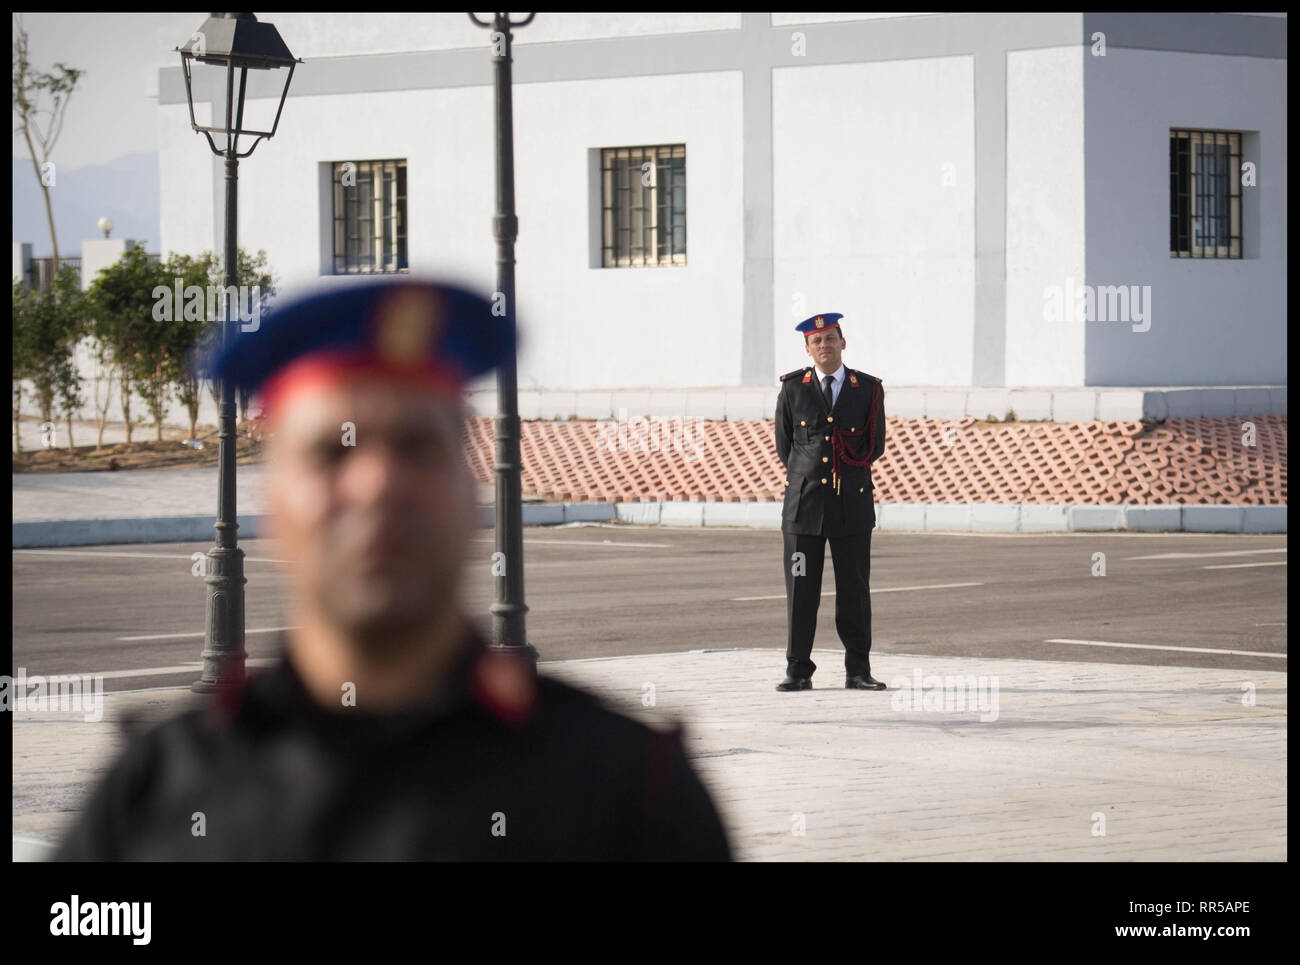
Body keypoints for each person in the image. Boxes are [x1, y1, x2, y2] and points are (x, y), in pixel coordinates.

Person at [55, 279, 731, 860]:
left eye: (416, 446)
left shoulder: (629, 792)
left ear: (472, 496)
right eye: (332, 452)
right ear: (275, 507)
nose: (378, 484)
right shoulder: (154, 795)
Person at [774, 312, 887, 692]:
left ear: (843, 342)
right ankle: (798, 670)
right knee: (801, 592)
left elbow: (875, 445)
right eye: (817, 341)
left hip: (851, 505)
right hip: (803, 509)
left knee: (854, 592)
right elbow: (786, 446)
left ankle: (858, 670)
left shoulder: (867, 389)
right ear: (808, 349)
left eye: (830, 338)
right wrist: (809, 475)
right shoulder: (793, 388)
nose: (825, 345)